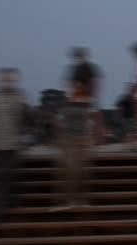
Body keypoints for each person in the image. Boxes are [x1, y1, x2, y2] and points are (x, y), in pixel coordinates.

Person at [52, 47, 101, 210]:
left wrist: (94, 135)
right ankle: (69, 200)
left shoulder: (88, 96)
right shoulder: (69, 99)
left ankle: (81, 200)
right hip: (70, 138)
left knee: (83, 170)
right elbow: (60, 119)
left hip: (83, 137)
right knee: (70, 170)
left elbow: (93, 117)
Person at [0, 68, 29, 223]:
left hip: (14, 144)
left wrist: (24, 140)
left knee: (10, 176)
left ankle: (10, 202)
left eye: (10, 79)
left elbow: (24, 119)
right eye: (4, 79)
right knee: (1, 178)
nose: (7, 82)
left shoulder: (19, 97)